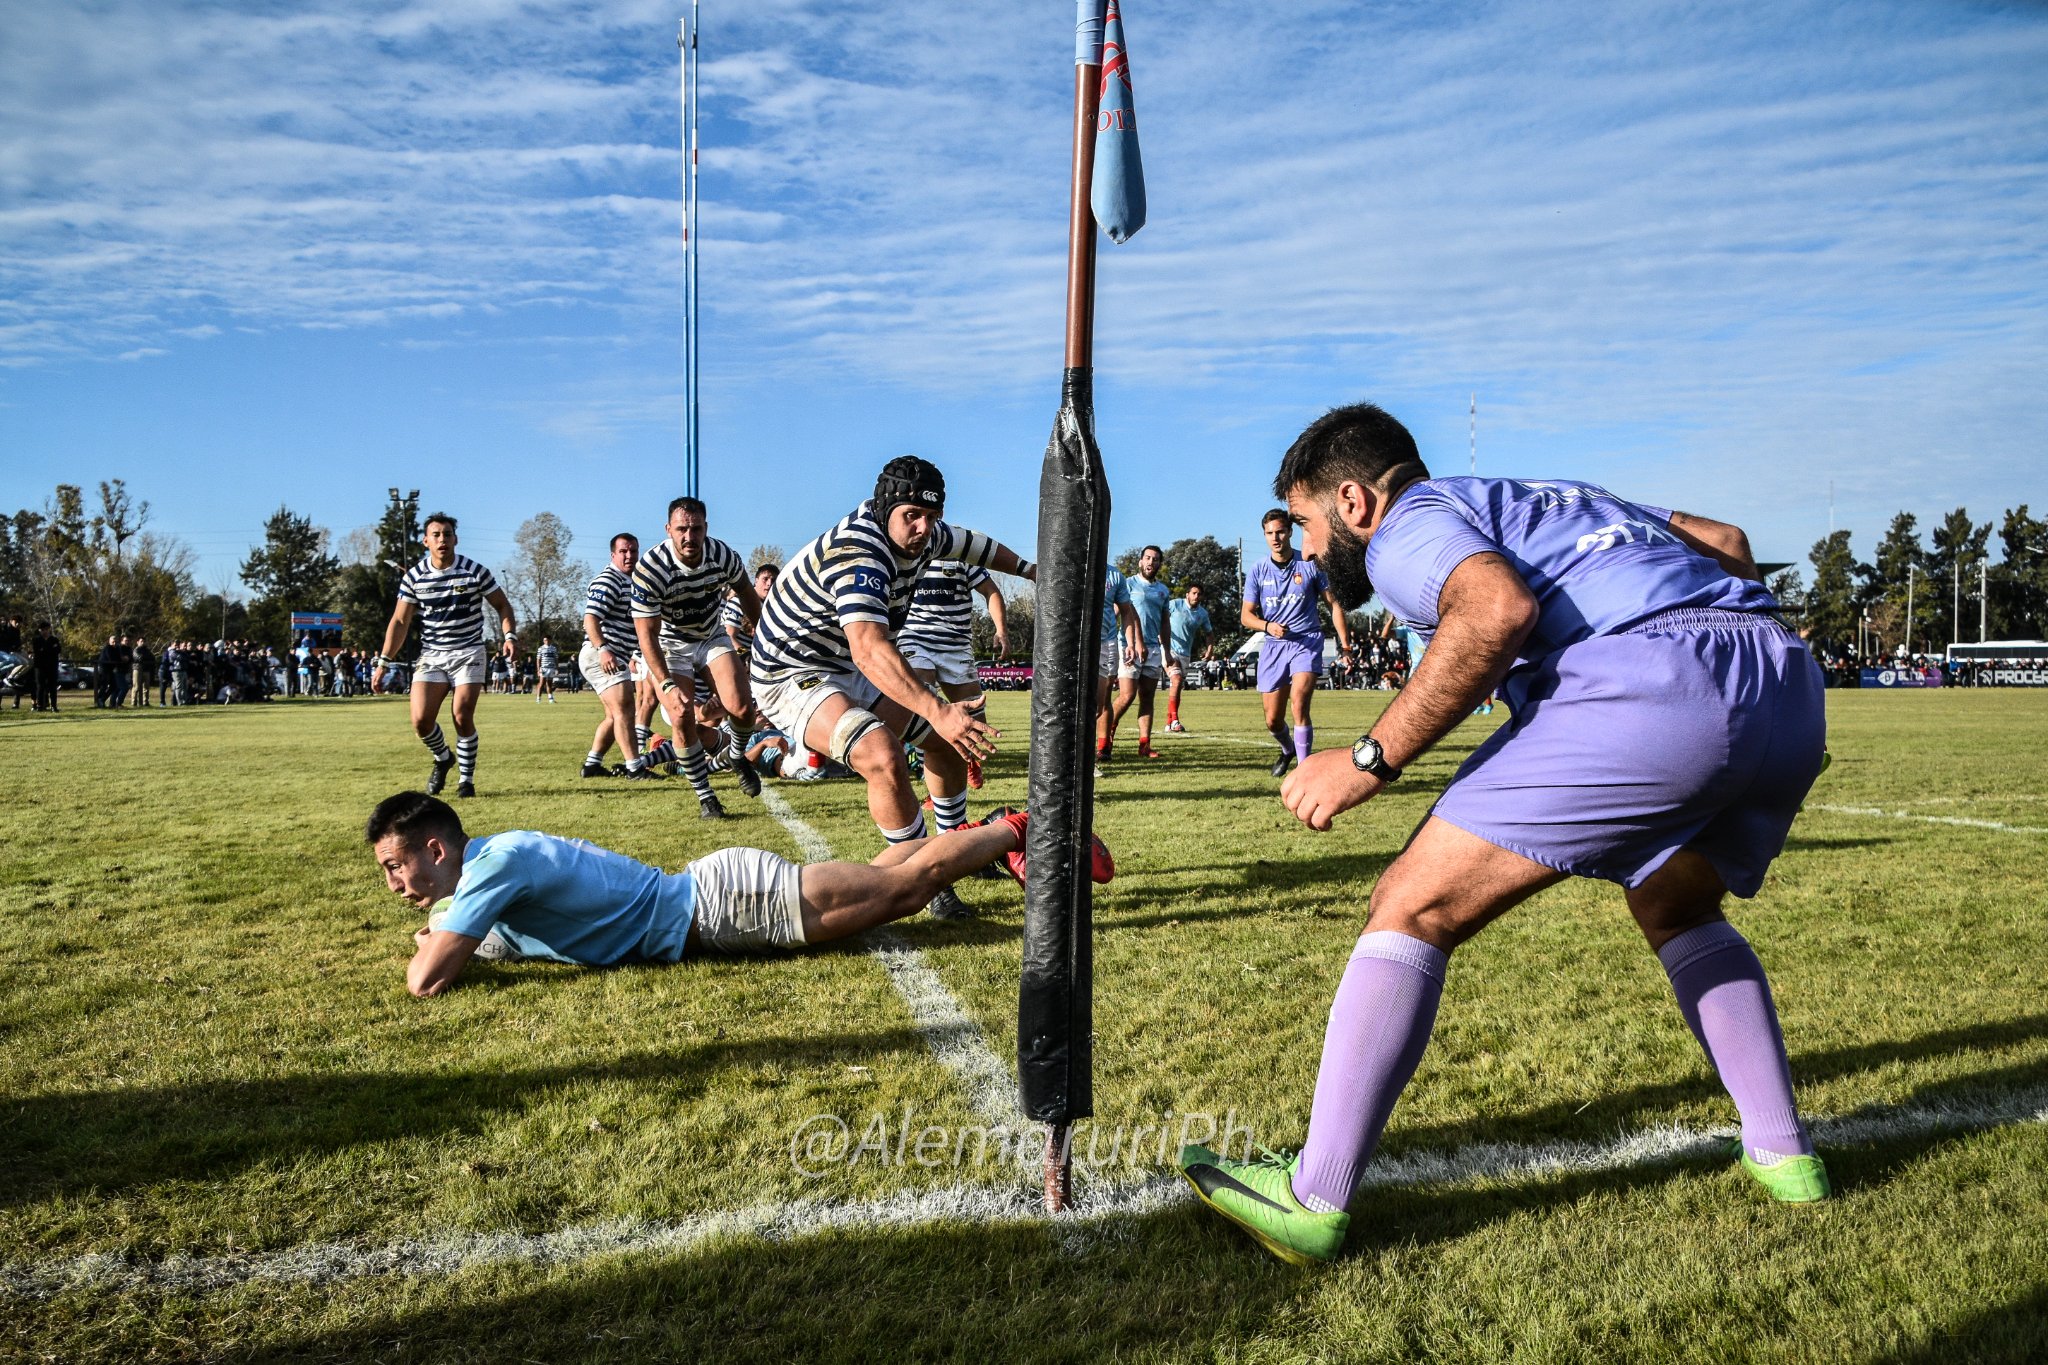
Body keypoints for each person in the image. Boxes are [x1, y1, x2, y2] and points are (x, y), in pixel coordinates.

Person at [1179, 402, 1832, 1266]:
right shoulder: (1547, 494)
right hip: (1784, 685)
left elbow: (1493, 609)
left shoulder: (1404, 527)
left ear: (1352, 501)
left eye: (1304, 523)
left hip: (1660, 683)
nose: (1304, 547)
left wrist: (1369, 758)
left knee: (1411, 904)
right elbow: (1728, 536)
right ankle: (1786, 1154)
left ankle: (1312, 1195)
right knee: (1675, 904)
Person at [368, 791, 1112, 997]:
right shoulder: (494, 864)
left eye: (399, 866)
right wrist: (440, 926)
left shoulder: (495, 867)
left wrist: (433, 944)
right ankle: (987, 832)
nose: (398, 884)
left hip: (724, 907)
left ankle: (1020, 828)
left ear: (437, 848)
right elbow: (470, 933)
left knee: (899, 891)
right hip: (714, 897)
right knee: (885, 873)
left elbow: (427, 978)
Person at [748, 456, 1036, 920]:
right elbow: (868, 647)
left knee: (944, 746)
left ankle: (951, 848)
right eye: (912, 517)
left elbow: (975, 546)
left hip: (845, 663)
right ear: (885, 508)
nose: (923, 528)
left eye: (931, 517)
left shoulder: (924, 531)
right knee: (882, 755)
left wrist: (1031, 570)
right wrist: (939, 709)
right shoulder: (860, 550)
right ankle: (928, 879)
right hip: (791, 670)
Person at [631, 497, 766, 818]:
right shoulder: (650, 568)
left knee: (743, 709)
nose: (689, 537)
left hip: (710, 636)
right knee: (680, 716)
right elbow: (646, 634)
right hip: (671, 644)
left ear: (706, 528)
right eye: (681, 529)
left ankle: (736, 757)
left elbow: (747, 592)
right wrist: (664, 684)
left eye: (696, 529)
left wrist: (763, 635)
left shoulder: (722, 556)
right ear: (668, 530)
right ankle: (706, 797)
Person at [373, 512, 519, 799]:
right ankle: (442, 757)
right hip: (433, 654)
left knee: (461, 715)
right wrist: (383, 662)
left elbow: (502, 605)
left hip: (469, 651)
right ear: (426, 541)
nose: (442, 539)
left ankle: (466, 780)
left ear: (456, 539)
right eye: (436, 535)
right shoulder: (414, 577)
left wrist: (510, 636)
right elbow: (400, 622)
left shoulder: (474, 571)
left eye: (447, 534)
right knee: (420, 721)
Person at [1242, 509, 1351, 778]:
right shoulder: (1258, 570)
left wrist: (1345, 646)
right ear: (1265, 536)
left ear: (1290, 532)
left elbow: (1333, 605)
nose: (1275, 537)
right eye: (1270, 533)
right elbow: (1246, 616)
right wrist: (1268, 626)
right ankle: (1288, 749)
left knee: (1299, 702)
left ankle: (1304, 771)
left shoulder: (1311, 564)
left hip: (1306, 641)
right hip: (1273, 646)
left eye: (1280, 531)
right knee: (1272, 720)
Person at [898, 555, 1011, 789]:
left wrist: (1001, 630)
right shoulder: (906, 552)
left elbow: (991, 590)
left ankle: (969, 760)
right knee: (924, 702)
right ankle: (925, 772)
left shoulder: (960, 551)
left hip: (956, 646)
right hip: (915, 639)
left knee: (976, 719)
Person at [579, 533, 659, 780]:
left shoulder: (632, 580)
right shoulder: (609, 580)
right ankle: (635, 768)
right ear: (613, 554)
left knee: (615, 715)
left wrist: (635, 653)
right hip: (601, 655)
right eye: (623, 551)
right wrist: (603, 649)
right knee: (625, 708)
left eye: (633, 551)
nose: (629, 555)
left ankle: (592, 765)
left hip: (616, 655)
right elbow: (590, 619)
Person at [1109, 546, 1173, 759]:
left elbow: (1165, 623)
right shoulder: (1128, 584)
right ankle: (1107, 733)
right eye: (1147, 558)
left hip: (1153, 649)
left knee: (1147, 697)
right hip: (1128, 647)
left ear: (1159, 564)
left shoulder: (1163, 591)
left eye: (1155, 559)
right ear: (1140, 562)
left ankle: (1144, 745)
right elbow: (1116, 613)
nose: (1150, 562)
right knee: (1127, 695)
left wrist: (1167, 650)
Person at [1094, 562, 1142, 767]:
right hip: (1082, 643)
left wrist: (1130, 643)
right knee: (1091, 702)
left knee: (1103, 699)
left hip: (1109, 642)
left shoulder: (1115, 575)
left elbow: (1126, 612)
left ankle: (1103, 747)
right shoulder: (1076, 567)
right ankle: (1083, 756)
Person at [1164, 584, 1215, 733]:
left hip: (1185, 653)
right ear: (1187, 594)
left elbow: (1209, 634)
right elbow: (1161, 619)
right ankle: (1175, 720)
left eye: (1199, 594)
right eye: (1193, 593)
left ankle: (1169, 722)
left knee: (1177, 686)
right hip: (1168, 649)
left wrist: (1210, 650)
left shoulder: (1202, 614)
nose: (1196, 596)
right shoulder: (1175, 604)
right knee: (1177, 680)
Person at [31, 622, 61, 712]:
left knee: (52, 686)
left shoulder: (54, 639)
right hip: (40, 666)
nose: (45, 631)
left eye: (47, 629)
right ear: (40, 630)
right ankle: (40, 705)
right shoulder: (36, 640)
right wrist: (48, 649)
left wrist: (45, 650)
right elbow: (37, 651)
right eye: (43, 630)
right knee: (40, 686)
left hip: (52, 666)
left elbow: (58, 650)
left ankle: (54, 706)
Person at [535, 636, 559, 704]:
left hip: (551, 668)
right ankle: (538, 699)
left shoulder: (553, 648)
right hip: (544, 668)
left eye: (547, 640)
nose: (546, 641)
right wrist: (538, 669)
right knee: (541, 683)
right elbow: (538, 659)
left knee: (549, 684)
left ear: (550, 640)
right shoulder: (541, 648)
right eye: (544, 640)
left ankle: (550, 699)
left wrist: (557, 668)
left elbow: (556, 658)